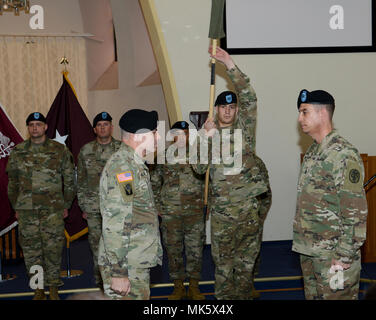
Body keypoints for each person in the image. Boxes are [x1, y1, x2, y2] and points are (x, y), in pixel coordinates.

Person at [193, 47, 271, 300]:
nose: (228, 110)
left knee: (246, 267)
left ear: (237, 111)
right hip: (222, 216)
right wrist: (203, 139)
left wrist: (229, 64)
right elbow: (197, 168)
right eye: (223, 107)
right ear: (216, 110)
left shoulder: (245, 131)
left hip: (248, 211)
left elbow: (249, 96)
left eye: (233, 107)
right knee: (224, 269)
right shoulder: (208, 135)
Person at [293, 89, 368, 300]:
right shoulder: (313, 152)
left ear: (323, 114)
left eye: (304, 112)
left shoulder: (342, 154)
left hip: (334, 257)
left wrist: (344, 256)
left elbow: (355, 212)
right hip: (311, 252)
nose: (300, 119)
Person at [6, 112, 75, 300]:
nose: (35, 127)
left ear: (45, 127)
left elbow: (69, 179)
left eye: (38, 124)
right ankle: (38, 289)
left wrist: (66, 204)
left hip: (53, 211)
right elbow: (12, 183)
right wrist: (16, 208)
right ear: (28, 128)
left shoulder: (59, 150)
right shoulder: (18, 151)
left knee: (53, 250)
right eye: (31, 125)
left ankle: (53, 289)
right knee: (31, 251)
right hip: (26, 211)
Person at [98, 109, 163, 300]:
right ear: (139, 136)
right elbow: (116, 223)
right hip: (127, 263)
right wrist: (118, 272)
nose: (158, 137)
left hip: (134, 259)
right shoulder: (123, 167)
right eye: (154, 132)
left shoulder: (134, 164)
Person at [151, 121, 206, 300]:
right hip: (170, 212)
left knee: (195, 249)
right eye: (177, 133)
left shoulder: (199, 156)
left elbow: (209, 182)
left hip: (195, 212)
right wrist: (158, 206)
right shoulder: (163, 156)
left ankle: (194, 286)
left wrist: (209, 204)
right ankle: (178, 286)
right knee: (173, 249)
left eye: (185, 133)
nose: (181, 137)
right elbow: (155, 182)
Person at [77, 112, 121, 288]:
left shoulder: (121, 149)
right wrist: (84, 206)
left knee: (118, 245)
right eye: (99, 125)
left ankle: (118, 281)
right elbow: (80, 180)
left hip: (118, 208)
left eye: (106, 124)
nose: (103, 127)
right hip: (94, 208)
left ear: (111, 127)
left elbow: (128, 179)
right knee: (97, 246)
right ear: (95, 129)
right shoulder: (86, 150)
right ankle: (101, 282)